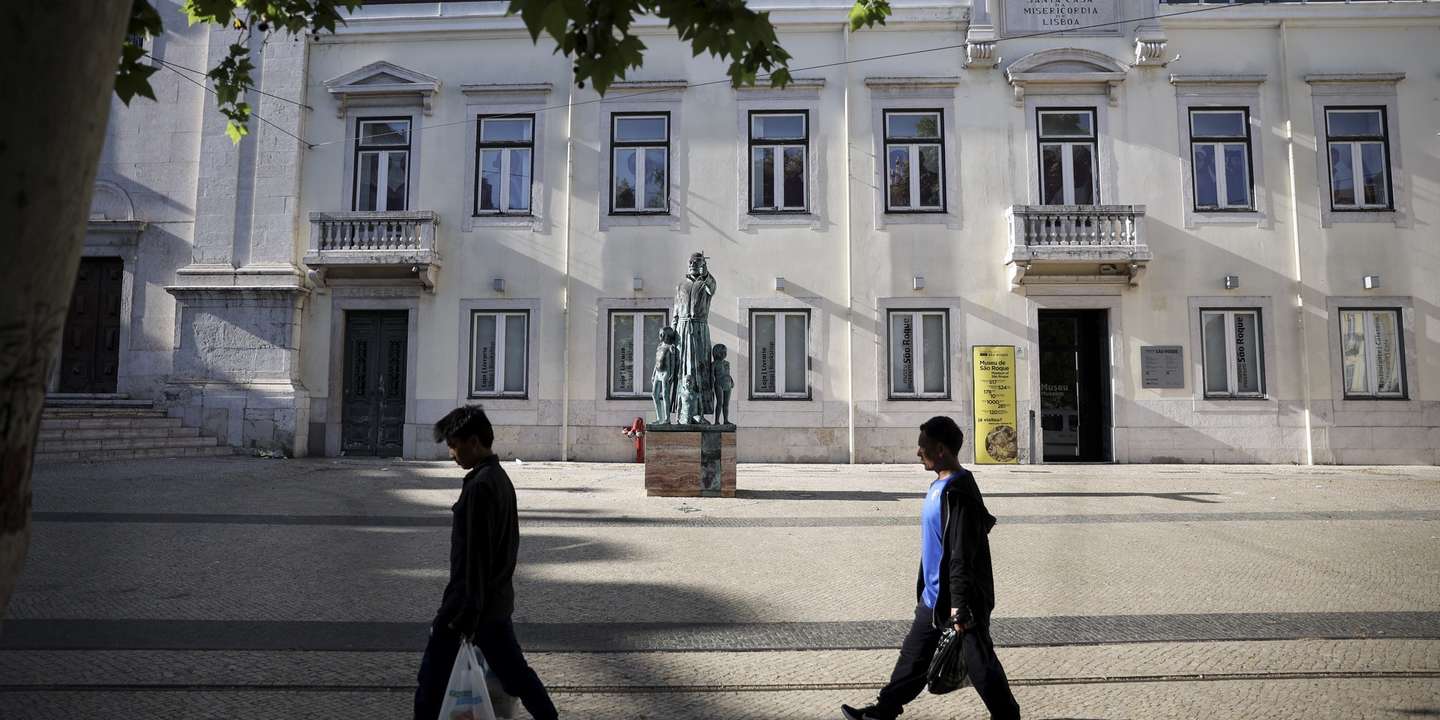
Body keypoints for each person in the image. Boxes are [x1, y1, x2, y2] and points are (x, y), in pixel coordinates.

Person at [841, 416, 1020, 720]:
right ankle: (883, 711)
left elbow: (961, 554)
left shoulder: (958, 492)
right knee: (913, 658)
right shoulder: (939, 485)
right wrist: (926, 589)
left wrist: (960, 607)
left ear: (940, 450)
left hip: (959, 601)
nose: (917, 452)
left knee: (980, 663)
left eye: (922, 446)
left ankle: (1007, 716)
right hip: (933, 596)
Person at [414, 405, 559, 720]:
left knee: (430, 684)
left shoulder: (481, 486)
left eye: (454, 444)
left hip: (468, 608)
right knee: (517, 676)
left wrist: (466, 615)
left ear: (475, 442)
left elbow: (476, 557)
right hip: (493, 603)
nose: (451, 452)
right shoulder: (498, 478)